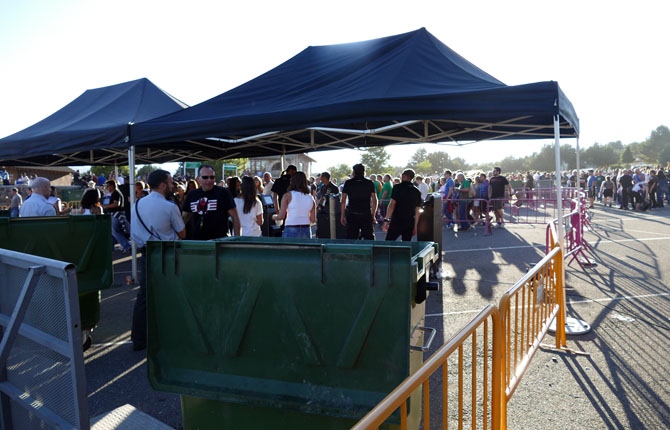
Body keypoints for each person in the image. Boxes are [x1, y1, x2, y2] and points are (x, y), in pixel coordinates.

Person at [130, 169, 186, 351]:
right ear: (162, 185)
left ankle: (139, 338)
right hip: (167, 253)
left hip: (147, 252)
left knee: (144, 296)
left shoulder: (137, 204)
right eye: (170, 182)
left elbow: (134, 232)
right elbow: (182, 233)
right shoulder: (170, 207)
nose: (173, 186)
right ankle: (169, 335)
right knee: (171, 293)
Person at [181, 164, 240, 239]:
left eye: (212, 177)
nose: (209, 180)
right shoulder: (192, 195)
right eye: (205, 177)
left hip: (220, 240)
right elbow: (184, 218)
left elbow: (235, 217)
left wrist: (237, 239)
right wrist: (178, 237)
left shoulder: (223, 193)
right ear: (198, 179)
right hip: (198, 241)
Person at [382, 169, 422, 241]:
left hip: (397, 220)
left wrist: (386, 220)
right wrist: (415, 226)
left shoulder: (397, 188)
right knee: (406, 244)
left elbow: (392, 205)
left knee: (389, 242)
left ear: (403, 176)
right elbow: (417, 211)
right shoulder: (417, 191)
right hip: (409, 221)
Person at [340, 163, 377, 240]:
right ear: (364, 172)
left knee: (351, 238)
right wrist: (373, 215)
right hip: (366, 213)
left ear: (354, 172)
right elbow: (374, 200)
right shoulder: (369, 183)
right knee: (369, 238)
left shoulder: (348, 183)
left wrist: (342, 215)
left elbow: (343, 201)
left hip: (352, 213)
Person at [275, 171, 316, 238]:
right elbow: (313, 220)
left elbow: (281, 216)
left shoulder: (287, 195)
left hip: (291, 227)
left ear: (292, 181)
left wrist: (274, 217)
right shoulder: (311, 198)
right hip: (306, 228)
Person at [101, 180, 132, 252]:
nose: (107, 188)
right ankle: (111, 248)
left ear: (112, 186)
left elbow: (116, 204)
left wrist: (106, 206)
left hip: (116, 214)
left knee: (115, 231)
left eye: (107, 186)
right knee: (113, 232)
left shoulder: (115, 193)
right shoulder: (115, 193)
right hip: (116, 214)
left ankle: (126, 246)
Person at [315, 171, 340, 238]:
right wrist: (318, 206)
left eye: (321, 177)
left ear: (324, 178)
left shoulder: (334, 187)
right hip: (323, 209)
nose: (320, 179)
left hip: (331, 210)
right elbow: (322, 197)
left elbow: (337, 200)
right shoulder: (323, 187)